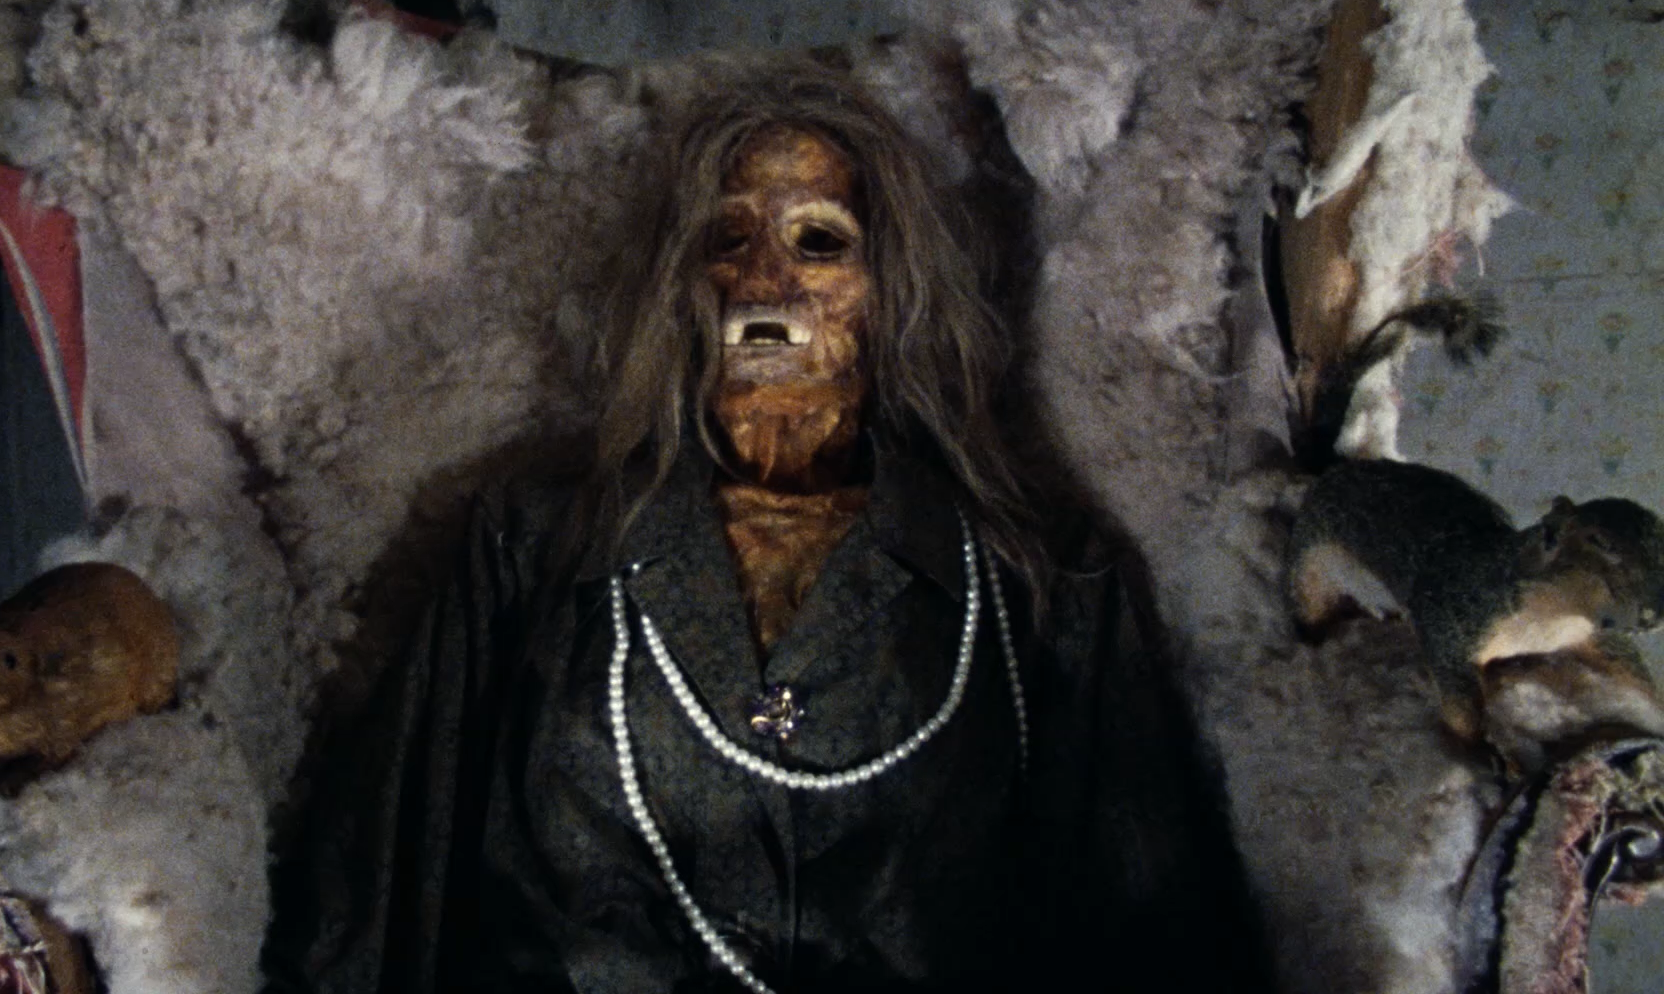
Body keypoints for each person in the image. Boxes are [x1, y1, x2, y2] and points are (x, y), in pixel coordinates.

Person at [272, 68, 1271, 993]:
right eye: (728, 239)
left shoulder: (1039, 584)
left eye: (819, 243)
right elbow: (367, 912)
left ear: (889, 295)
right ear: (686, 289)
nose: (763, 283)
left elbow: (1161, 941)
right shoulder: (532, 550)